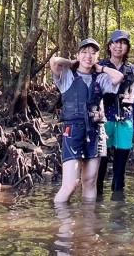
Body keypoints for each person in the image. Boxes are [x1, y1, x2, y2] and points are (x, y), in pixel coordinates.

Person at [50, 38, 124, 204]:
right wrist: (73, 62)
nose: (88, 56)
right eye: (84, 52)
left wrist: (101, 67)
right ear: (78, 54)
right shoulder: (67, 75)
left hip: (96, 131)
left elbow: (118, 77)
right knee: (70, 184)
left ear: (97, 57)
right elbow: (54, 61)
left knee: (90, 182)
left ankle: (88, 225)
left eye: (93, 53)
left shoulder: (101, 78)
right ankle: (61, 225)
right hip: (73, 131)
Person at [96, 30, 134, 198]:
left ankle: (117, 208)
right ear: (109, 46)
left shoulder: (132, 70)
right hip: (104, 122)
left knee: (120, 169)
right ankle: (97, 203)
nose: (118, 46)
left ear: (127, 48)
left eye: (123, 43)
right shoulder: (100, 66)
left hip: (125, 121)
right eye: (115, 42)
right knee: (100, 166)